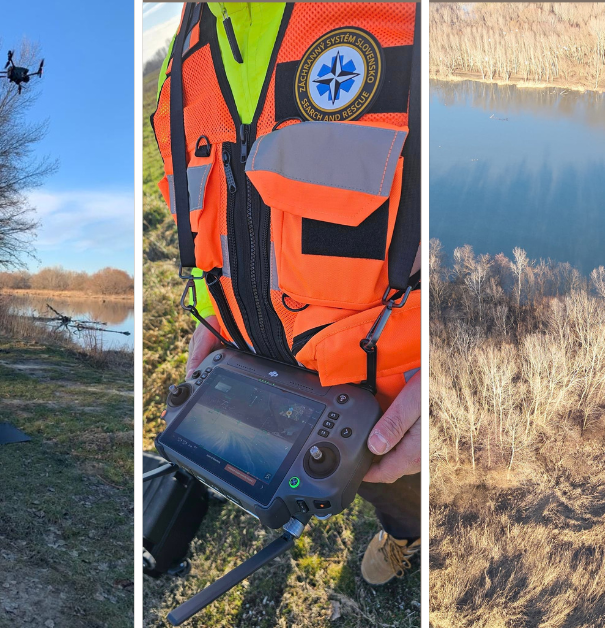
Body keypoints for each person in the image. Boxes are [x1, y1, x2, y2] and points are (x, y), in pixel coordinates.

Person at [155, 2, 422, 585]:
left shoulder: (413, 20)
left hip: (395, 403)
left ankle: (405, 533)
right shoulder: (181, 56)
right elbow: (219, 219)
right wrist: (218, 307)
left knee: (395, 487)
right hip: (243, 369)